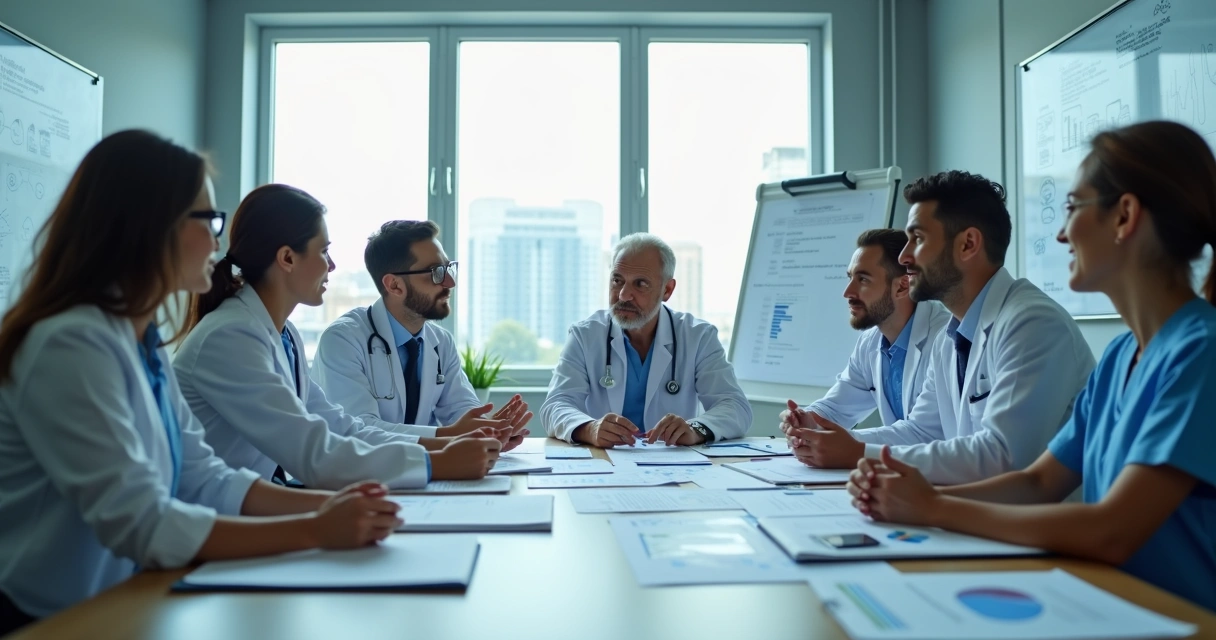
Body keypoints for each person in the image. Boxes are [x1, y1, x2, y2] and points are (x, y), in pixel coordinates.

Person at [0, 131, 401, 634]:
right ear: (151, 225)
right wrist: (315, 528)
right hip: (49, 621)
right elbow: (144, 522)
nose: (218, 241)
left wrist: (333, 507)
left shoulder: (136, 338)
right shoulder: (70, 343)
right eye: (208, 220)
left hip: (128, 601)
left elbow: (203, 477)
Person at [848, 121, 1216, 612]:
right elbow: (1039, 482)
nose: (1061, 234)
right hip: (1115, 602)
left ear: (1125, 216)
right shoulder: (1122, 356)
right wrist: (912, 497)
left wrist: (934, 507)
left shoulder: (1201, 352)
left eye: (1072, 208)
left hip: (1179, 616)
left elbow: (1113, 531)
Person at [174, 184, 507, 490]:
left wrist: (449, 442)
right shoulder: (231, 336)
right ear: (288, 258)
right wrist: (438, 461)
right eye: (323, 252)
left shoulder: (282, 333)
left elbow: (342, 428)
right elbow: (315, 452)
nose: (332, 266)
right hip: (214, 525)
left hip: (255, 505)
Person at [786, 171, 1094, 483]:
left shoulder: (1031, 323)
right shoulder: (952, 337)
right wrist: (847, 446)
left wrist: (858, 453)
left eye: (917, 239)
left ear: (968, 244)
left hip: (1040, 526)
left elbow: (1004, 457)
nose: (905, 257)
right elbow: (922, 431)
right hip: (979, 517)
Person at [311, 220, 531, 444]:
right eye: (436, 272)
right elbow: (359, 430)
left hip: (424, 472)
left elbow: (462, 409)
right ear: (394, 285)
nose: (449, 283)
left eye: (448, 269)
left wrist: (491, 431)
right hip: (358, 475)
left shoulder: (441, 341)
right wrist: (449, 435)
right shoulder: (343, 340)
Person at [541, 233, 751, 446]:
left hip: (674, 466)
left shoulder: (698, 337)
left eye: (640, 284)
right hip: (604, 463)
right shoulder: (584, 335)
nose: (623, 295)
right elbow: (556, 405)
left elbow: (735, 406)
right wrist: (590, 429)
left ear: (667, 290)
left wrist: (696, 429)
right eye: (617, 280)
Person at [779, 229, 950, 433]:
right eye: (850, 277)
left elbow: (925, 433)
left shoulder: (946, 338)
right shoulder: (870, 342)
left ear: (903, 286)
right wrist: (806, 420)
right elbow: (836, 409)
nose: (847, 292)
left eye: (863, 280)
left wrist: (846, 443)